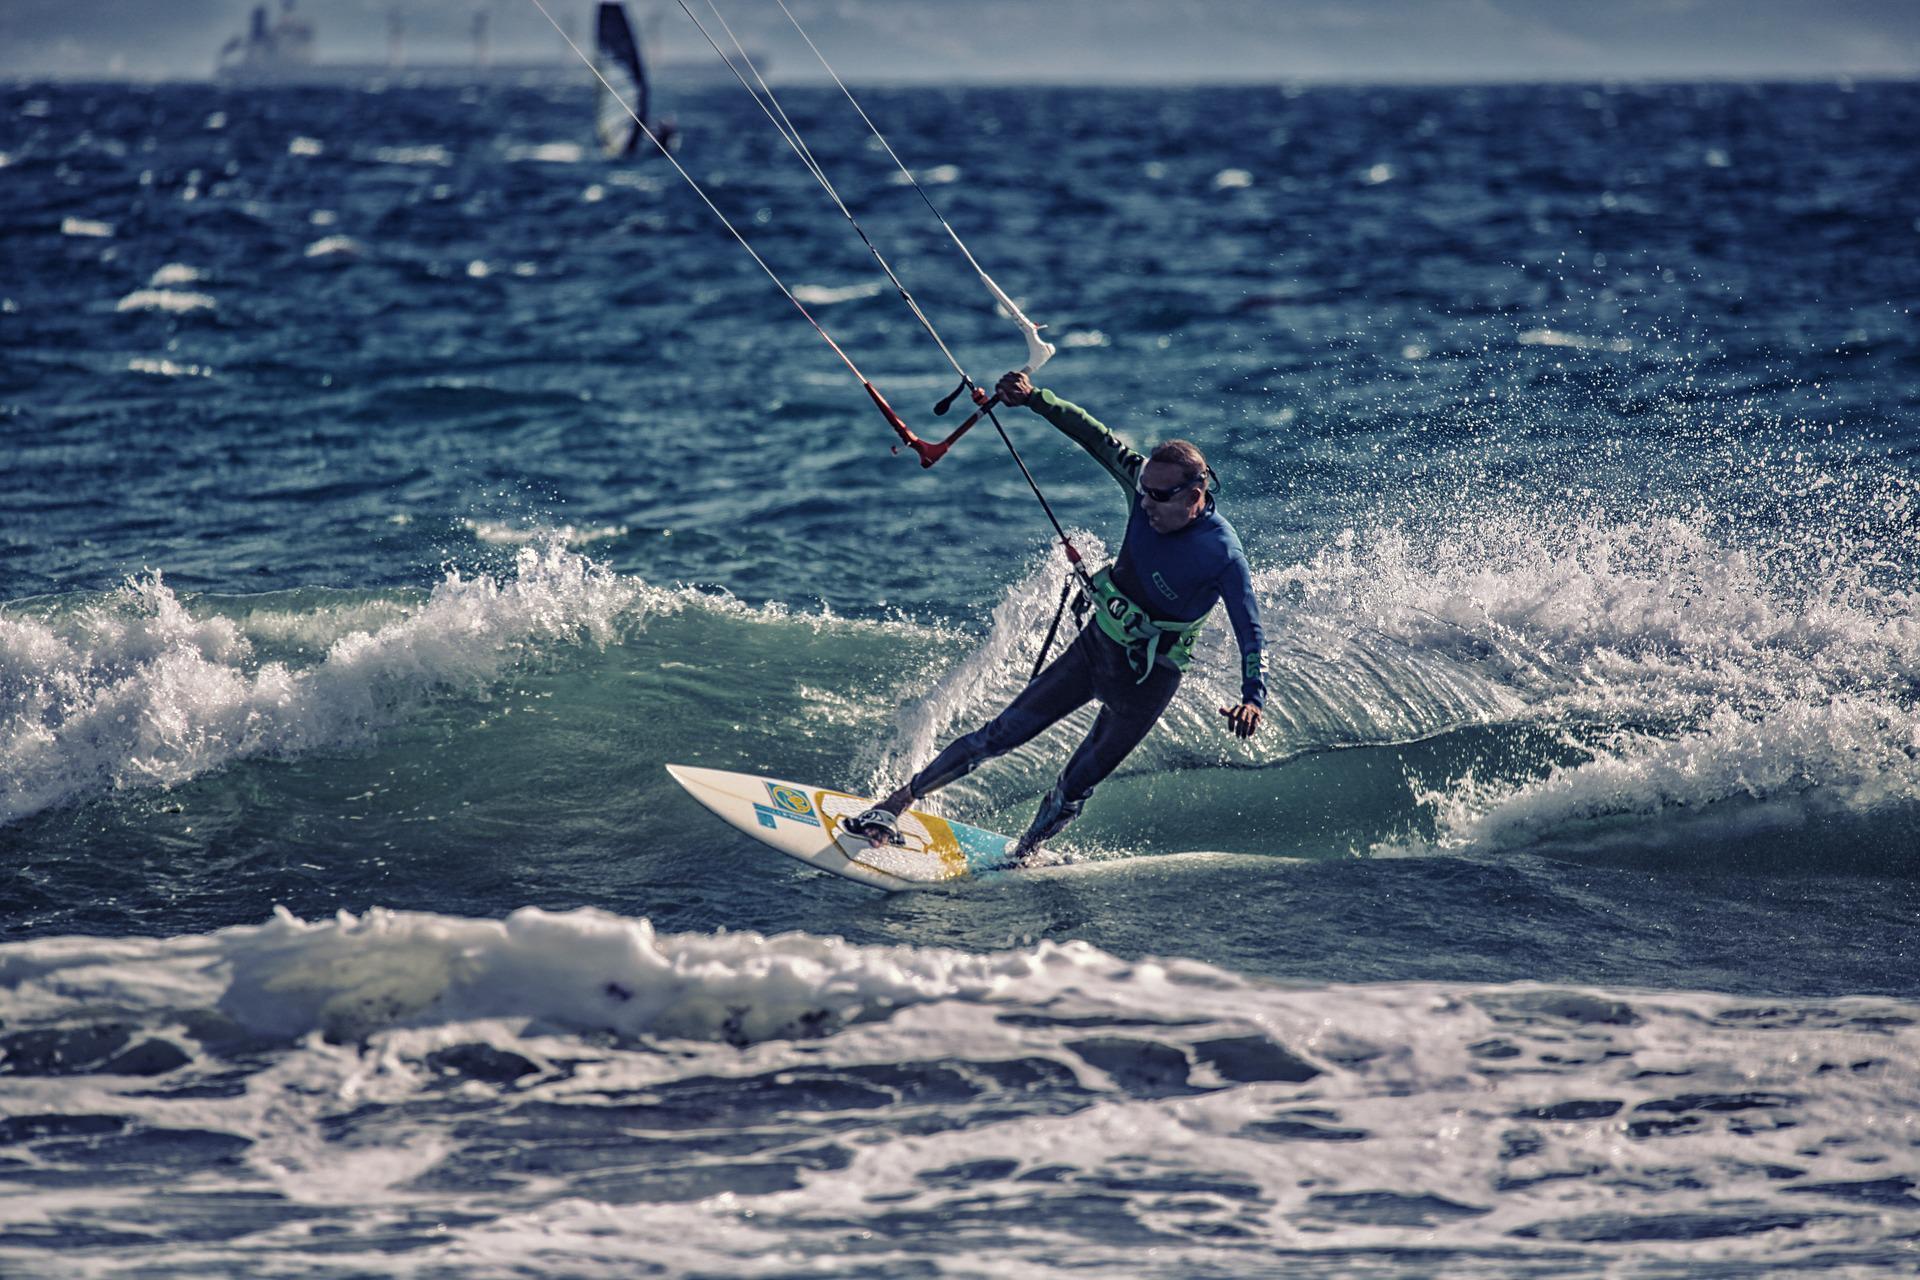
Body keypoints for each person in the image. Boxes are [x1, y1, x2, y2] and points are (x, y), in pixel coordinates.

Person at [846, 370, 1266, 862]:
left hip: (1147, 682)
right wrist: (1036, 399)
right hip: (1095, 650)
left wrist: (1252, 698)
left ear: (1195, 496)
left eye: (1159, 496)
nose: (1145, 502)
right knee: (998, 736)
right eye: (1143, 490)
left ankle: (1023, 855)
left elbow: (1250, 630)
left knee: (1075, 784)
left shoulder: (1222, 555)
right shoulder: (1144, 488)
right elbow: (1093, 434)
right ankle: (895, 804)